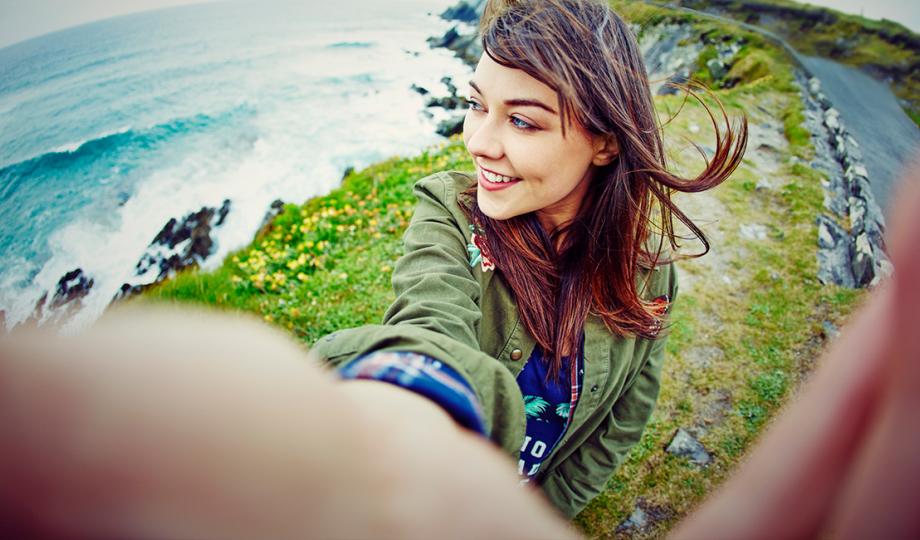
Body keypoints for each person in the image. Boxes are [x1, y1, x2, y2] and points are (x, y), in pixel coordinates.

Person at [310, 0, 746, 519]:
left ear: (605, 143)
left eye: (521, 120)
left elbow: (625, 416)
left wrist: (545, 512)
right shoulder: (451, 217)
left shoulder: (648, 271)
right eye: (476, 105)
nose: (478, 142)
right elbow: (430, 324)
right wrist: (410, 398)